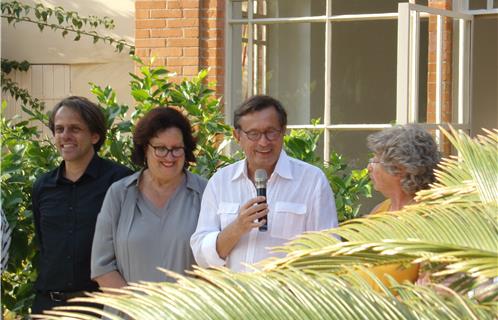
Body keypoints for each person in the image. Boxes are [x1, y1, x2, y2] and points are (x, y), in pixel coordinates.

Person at [190, 95, 338, 272]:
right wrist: (237, 227)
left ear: (283, 131)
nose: (263, 142)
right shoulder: (220, 182)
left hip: (287, 298)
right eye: (253, 134)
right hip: (233, 297)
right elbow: (201, 256)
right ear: (237, 136)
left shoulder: (311, 181)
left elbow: (328, 253)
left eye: (271, 132)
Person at [31, 96, 133, 314]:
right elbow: (44, 245)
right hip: (48, 307)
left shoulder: (120, 182)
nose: (65, 136)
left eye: (74, 129)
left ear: (95, 136)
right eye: (59, 129)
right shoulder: (43, 187)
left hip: (100, 308)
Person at [91, 107, 207, 288]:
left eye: (176, 148)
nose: (169, 157)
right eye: (160, 148)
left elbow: (217, 264)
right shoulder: (119, 193)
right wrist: (139, 312)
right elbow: (102, 267)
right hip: (128, 313)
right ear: (145, 148)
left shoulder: (205, 192)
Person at [365, 124, 440, 285]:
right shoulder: (380, 210)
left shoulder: (429, 220)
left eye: (375, 160)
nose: (369, 168)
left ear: (399, 168)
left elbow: (430, 291)